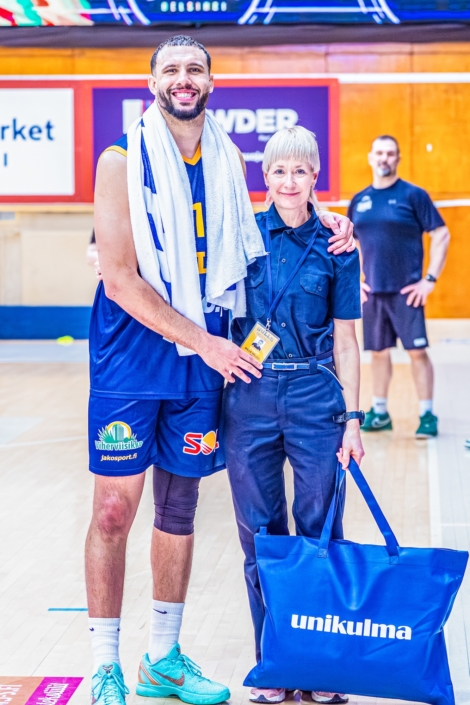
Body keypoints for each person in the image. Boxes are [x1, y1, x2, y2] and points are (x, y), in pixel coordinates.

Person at [89, 35, 355, 705]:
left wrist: (329, 222)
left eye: (194, 69)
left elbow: (267, 228)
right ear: (153, 82)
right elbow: (119, 278)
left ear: (211, 82)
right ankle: (103, 662)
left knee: (179, 505)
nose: (183, 79)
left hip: (207, 358)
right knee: (116, 510)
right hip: (137, 354)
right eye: (171, 69)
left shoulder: (229, 160)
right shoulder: (119, 160)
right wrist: (205, 344)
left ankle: (163, 657)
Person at [224, 126, 364, 705]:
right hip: (249, 398)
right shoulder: (241, 235)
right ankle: (276, 660)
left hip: (315, 398)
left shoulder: (338, 245)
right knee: (260, 538)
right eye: (278, 170)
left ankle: (320, 663)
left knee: (320, 532)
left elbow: (348, 341)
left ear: (315, 176)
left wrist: (353, 419)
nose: (288, 181)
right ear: (265, 176)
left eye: (300, 171)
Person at [348, 135, 450, 438]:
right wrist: (354, 282)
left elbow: (441, 234)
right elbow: (351, 244)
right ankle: (380, 412)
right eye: (379, 153)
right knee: (378, 353)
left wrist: (429, 280)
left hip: (407, 293)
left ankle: (427, 414)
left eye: (390, 153)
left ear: (398, 158)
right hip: (373, 293)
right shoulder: (359, 200)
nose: (384, 158)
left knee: (417, 352)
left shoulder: (413, 195)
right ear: (370, 157)